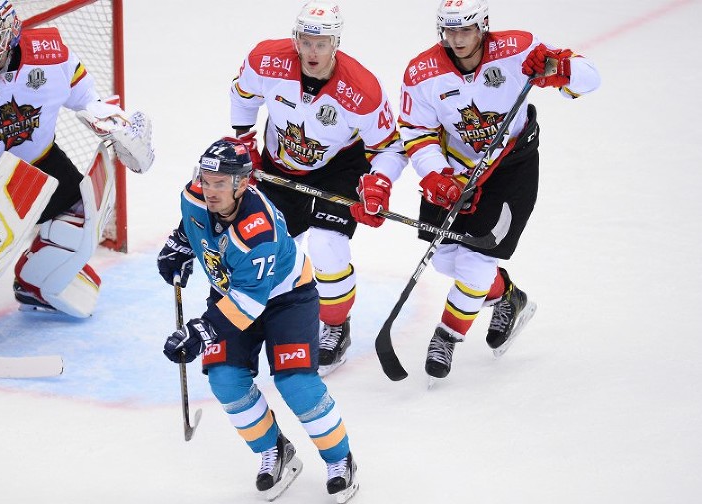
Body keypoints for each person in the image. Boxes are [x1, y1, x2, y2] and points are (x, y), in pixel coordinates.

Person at [0, 0, 154, 359]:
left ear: (11, 36)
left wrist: (113, 122)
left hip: (39, 161)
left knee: (85, 215)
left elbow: (87, 99)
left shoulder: (50, 54)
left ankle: (37, 283)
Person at [397, 0, 601, 379]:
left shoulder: (518, 48)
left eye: (465, 29)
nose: (457, 39)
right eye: (450, 30)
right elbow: (416, 130)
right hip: (457, 171)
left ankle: (446, 337)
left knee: (476, 263)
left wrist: (561, 69)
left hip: (510, 167)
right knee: (446, 260)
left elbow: (591, 79)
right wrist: (436, 176)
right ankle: (508, 296)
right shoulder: (422, 71)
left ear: (483, 26)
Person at [157, 138, 359, 503]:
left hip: (287, 300)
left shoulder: (257, 230)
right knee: (225, 380)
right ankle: (274, 449)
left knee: (296, 384)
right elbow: (193, 222)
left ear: (242, 183)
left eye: (220, 183)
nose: (210, 190)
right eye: (206, 180)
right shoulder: (195, 195)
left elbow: (249, 302)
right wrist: (181, 244)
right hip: (232, 293)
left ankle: (339, 459)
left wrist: (200, 331)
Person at [229, 0, 407, 373]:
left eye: (321, 43)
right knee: (274, 248)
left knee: (327, 245)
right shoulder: (266, 60)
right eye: (306, 41)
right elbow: (242, 96)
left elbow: (390, 147)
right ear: (296, 38)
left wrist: (378, 185)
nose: (312, 51)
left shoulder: (362, 89)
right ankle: (268, 317)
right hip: (280, 164)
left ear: (335, 43)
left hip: (341, 166)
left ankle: (336, 326)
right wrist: (245, 141)